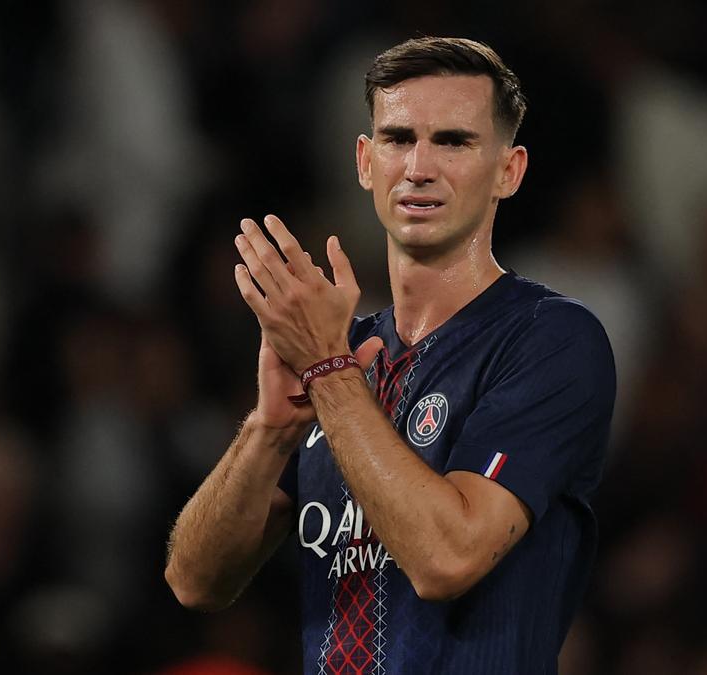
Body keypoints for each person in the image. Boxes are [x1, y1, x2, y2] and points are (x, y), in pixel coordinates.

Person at [164, 37, 616, 673]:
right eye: (399, 138)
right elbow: (195, 581)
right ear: (365, 161)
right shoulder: (340, 357)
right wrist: (268, 430)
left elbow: (447, 558)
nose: (419, 167)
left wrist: (328, 372)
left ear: (508, 171)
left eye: (453, 142)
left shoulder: (550, 339)